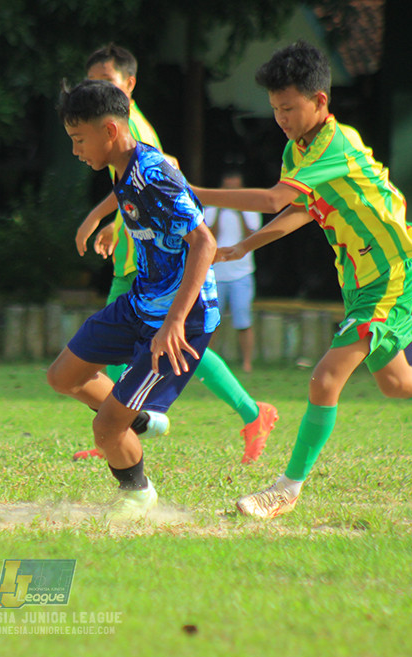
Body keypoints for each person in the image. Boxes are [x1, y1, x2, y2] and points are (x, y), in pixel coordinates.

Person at [192, 41, 412, 519]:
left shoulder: (337, 144)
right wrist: (248, 245)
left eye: (288, 108)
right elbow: (302, 209)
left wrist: (193, 191)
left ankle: (286, 490)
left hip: (389, 274)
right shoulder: (299, 149)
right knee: (397, 382)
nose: (281, 119)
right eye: (275, 110)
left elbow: (272, 200)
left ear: (320, 102)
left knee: (324, 379)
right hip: (360, 280)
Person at [73, 44, 277, 464]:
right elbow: (127, 186)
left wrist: (107, 222)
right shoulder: (105, 122)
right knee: (160, 349)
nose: (96, 89)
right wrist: (106, 220)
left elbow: (166, 171)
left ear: (128, 84)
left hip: (154, 262)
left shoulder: (131, 127)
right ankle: (123, 430)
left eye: (105, 82)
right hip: (139, 256)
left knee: (163, 344)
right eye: (90, 81)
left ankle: (120, 433)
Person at [48, 78, 219, 521]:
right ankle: (137, 419)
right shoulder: (123, 166)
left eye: (78, 139)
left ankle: (138, 493)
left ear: (108, 131)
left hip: (183, 314)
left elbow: (204, 242)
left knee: (104, 429)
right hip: (142, 303)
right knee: (64, 376)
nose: (74, 150)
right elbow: (137, 204)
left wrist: (175, 322)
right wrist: (109, 221)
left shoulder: (153, 175)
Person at [203, 170, 262, 373]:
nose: (232, 192)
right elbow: (210, 237)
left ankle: (247, 364)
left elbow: (251, 235)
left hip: (242, 274)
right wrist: (221, 208)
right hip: (216, 273)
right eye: (228, 188)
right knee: (212, 322)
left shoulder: (251, 208)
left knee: (243, 321)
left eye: (235, 188)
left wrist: (239, 210)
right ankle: (208, 365)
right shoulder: (211, 209)